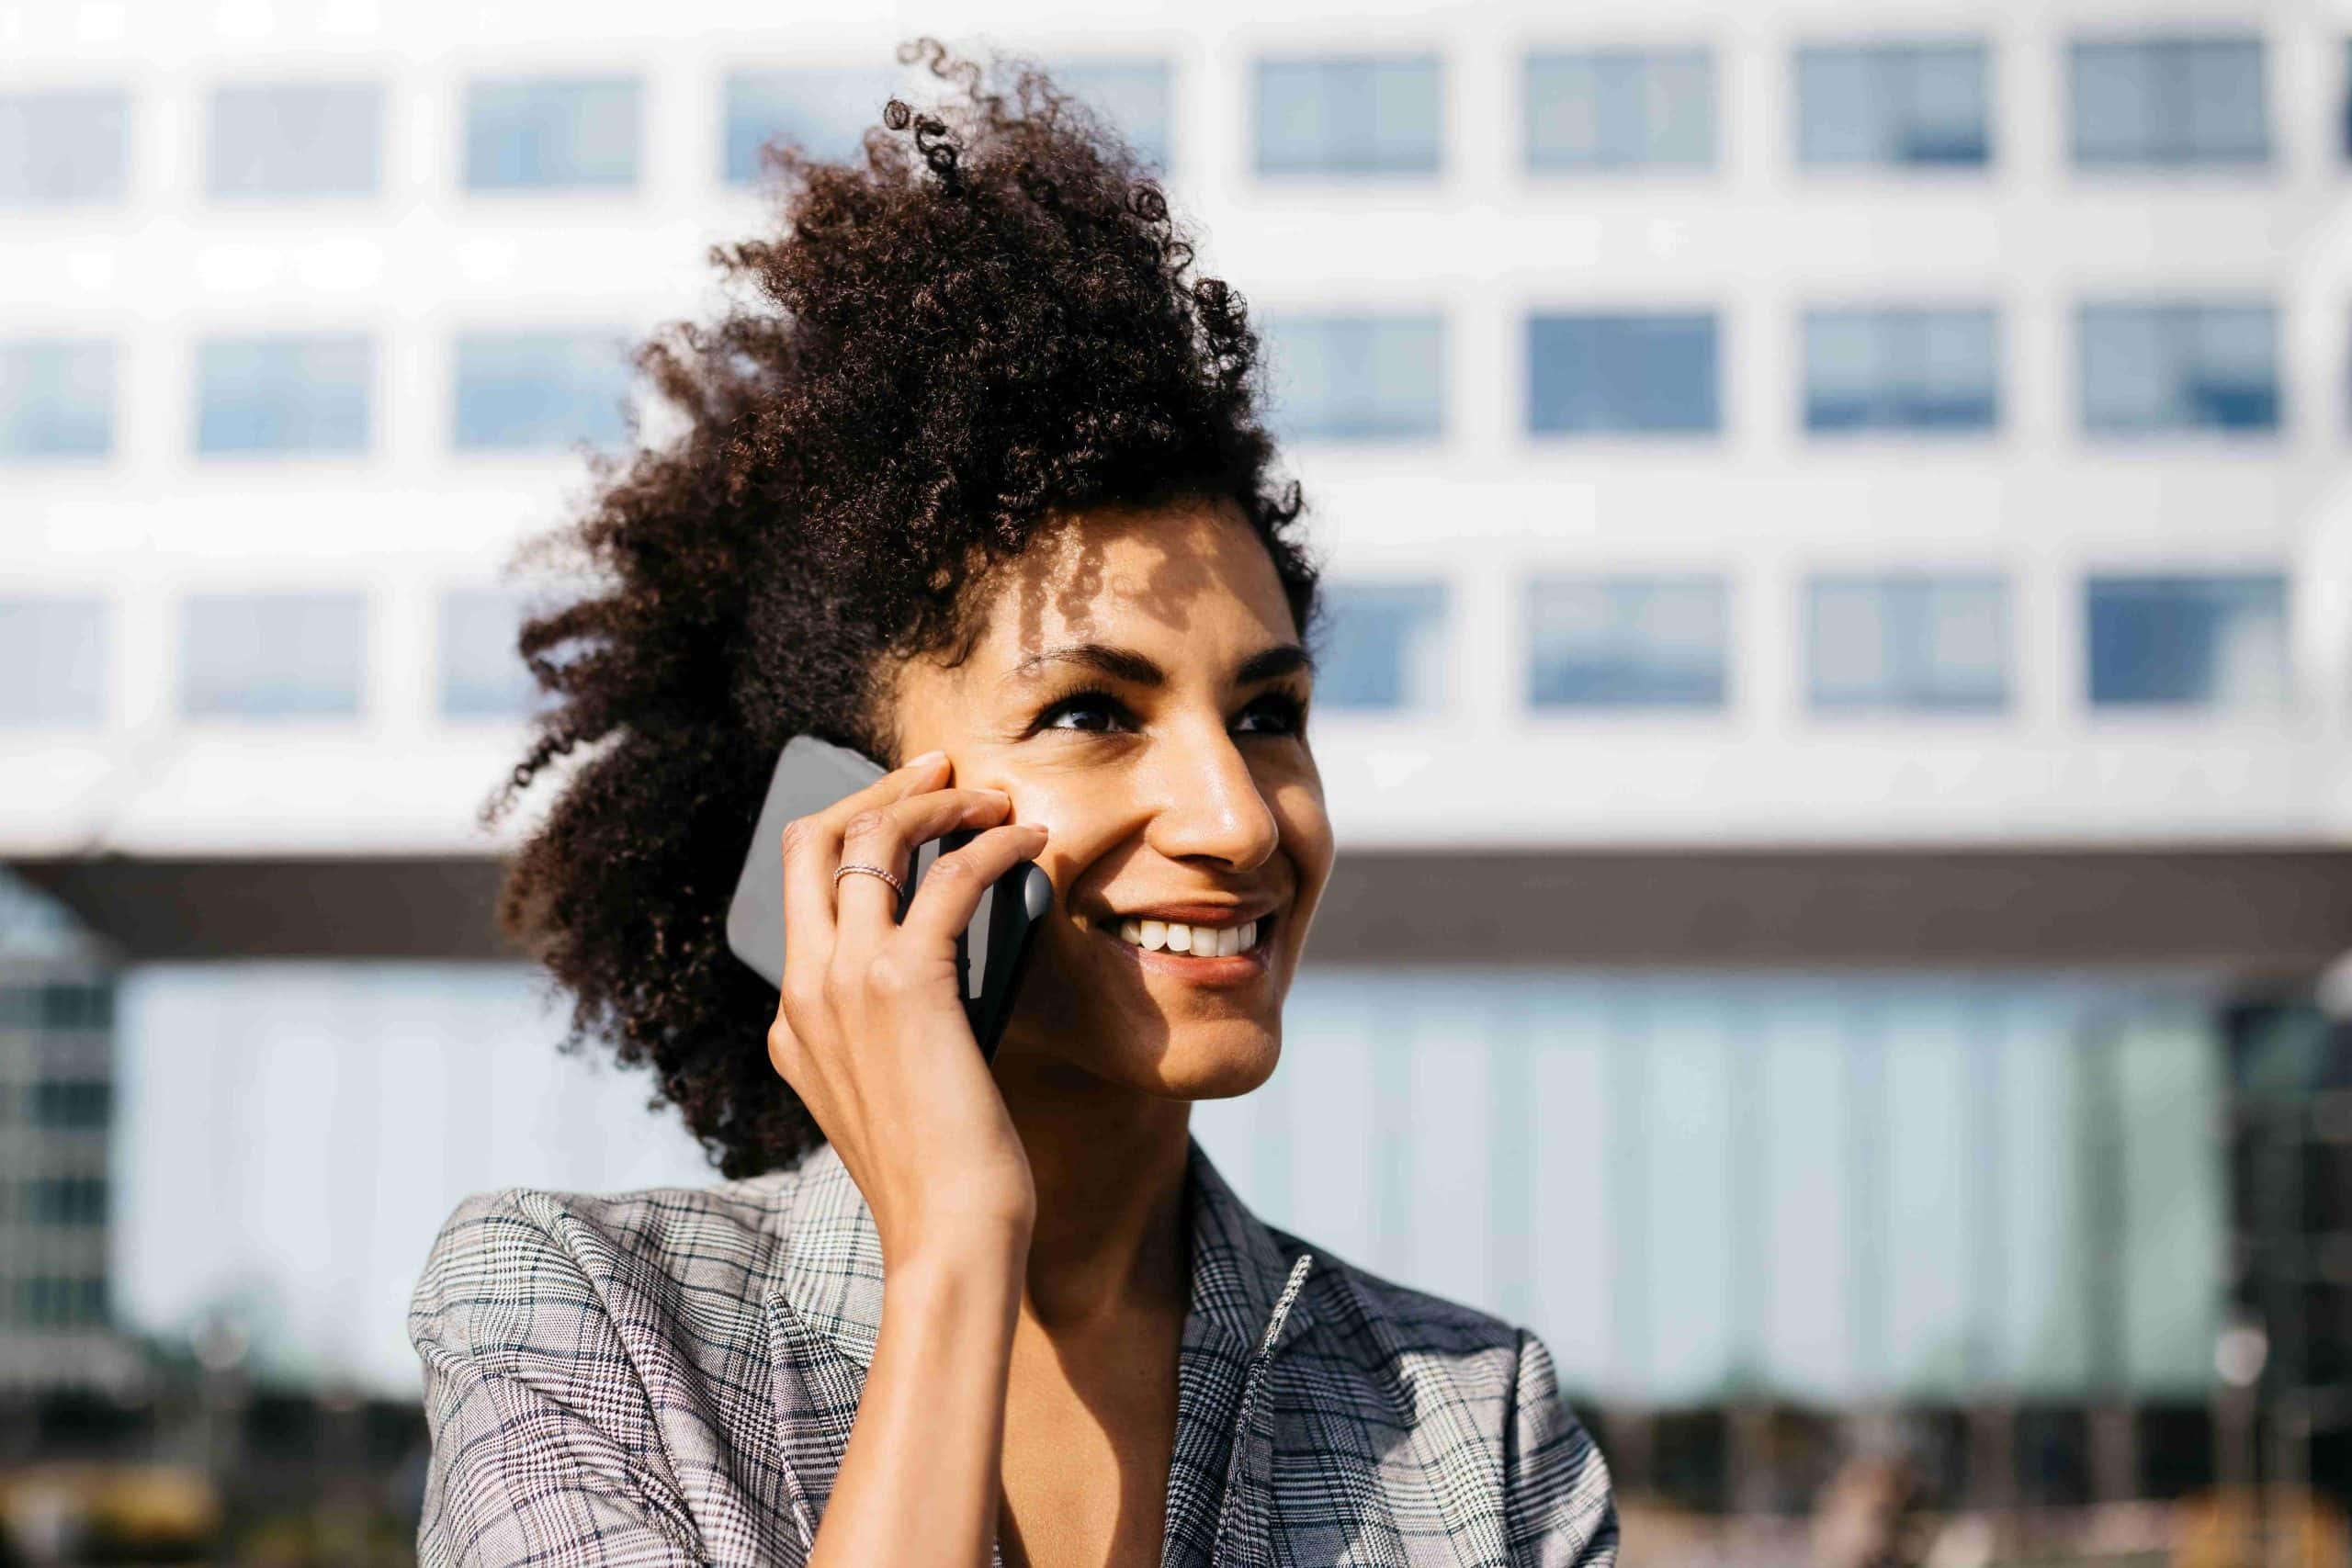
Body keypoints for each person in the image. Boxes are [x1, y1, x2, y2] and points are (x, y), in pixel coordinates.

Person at [409, 39, 1617, 1568]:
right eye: (1090, 714)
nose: (1239, 820)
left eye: (1271, 716)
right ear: (841, 812)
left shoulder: (1479, 1436)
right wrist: (956, 1251)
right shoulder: (583, 1324)